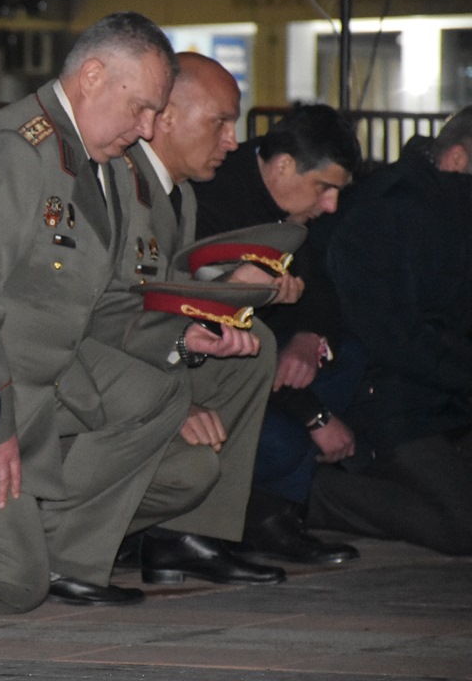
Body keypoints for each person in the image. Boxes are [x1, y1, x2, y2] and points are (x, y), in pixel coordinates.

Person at [0, 12, 260, 614]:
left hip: (50, 378)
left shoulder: (101, 166)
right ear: (91, 76)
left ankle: (62, 550)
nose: (146, 129)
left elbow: (108, 300)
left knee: (157, 394)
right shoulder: (11, 153)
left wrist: (187, 335)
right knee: (10, 584)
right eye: (140, 108)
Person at [100, 52, 283, 587]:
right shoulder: (116, 184)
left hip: (140, 354)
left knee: (253, 342)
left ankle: (188, 536)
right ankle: (103, 531)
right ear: (164, 118)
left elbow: (164, 304)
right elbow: (106, 315)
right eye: (220, 122)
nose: (232, 140)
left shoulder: (177, 193)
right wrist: (174, 398)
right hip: (93, 370)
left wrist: (230, 298)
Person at [192, 103, 363, 565]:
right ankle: (249, 515)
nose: (331, 204)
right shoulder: (221, 200)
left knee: (350, 360)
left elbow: (324, 293)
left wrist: (310, 337)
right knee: (287, 441)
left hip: (270, 359)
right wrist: (316, 417)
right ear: (284, 165)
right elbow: (226, 338)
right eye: (324, 188)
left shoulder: (291, 205)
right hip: (208, 368)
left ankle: (276, 513)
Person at [317, 108, 472, 555]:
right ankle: (312, 496)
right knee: (462, 527)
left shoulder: (443, 207)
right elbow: (392, 333)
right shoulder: (393, 210)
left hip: (431, 392)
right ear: (457, 159)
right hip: (385, 395)